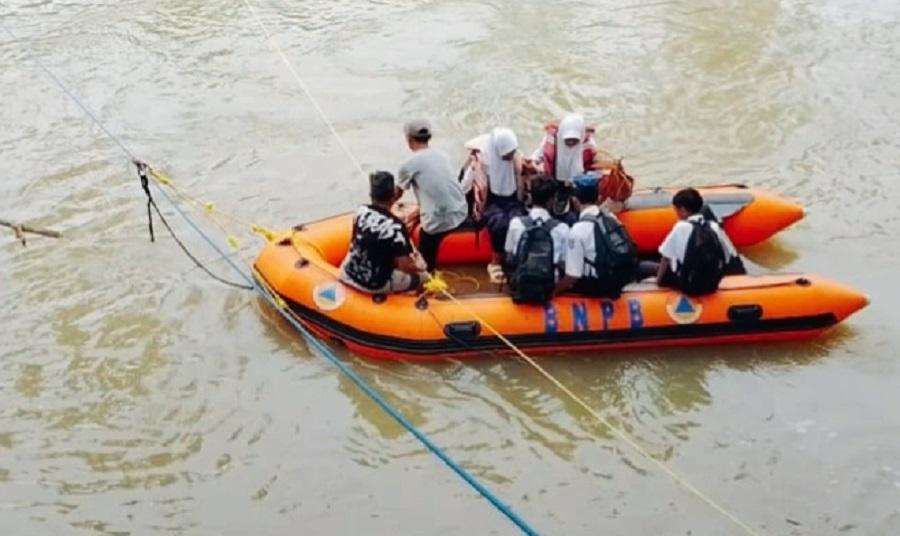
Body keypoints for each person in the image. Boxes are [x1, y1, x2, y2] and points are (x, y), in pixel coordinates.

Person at [397, 119, 468, 272]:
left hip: (439, 221)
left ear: (408, 139)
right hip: (461, 212)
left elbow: (396, 195)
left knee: (425, 254)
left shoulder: (408, 165)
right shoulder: (443, 156)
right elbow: (438, 190)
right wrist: (413, 215)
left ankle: (427, 272)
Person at [340, 171, 426, 294]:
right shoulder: (396, 228)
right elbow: (405, 267)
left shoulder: (360, 211)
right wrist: (420, 267)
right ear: (393, 196)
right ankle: (417, 300)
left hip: (347, 273)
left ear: (371, 195)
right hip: (373, 284)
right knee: (423, 277)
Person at [555, 175, 638, 298]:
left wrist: (554, 291)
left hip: (597, 285)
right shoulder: (611, 217)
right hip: (618, 276)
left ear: (575, 200)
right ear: (598, 198)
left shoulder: (577, 230)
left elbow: (573, 276)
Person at [654, 188, 746, 295]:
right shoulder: (713, 226)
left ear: (683, 210)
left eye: (676, 210)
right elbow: (728, 255)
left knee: (647, 267)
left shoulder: (680, 227)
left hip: (689, 285)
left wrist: (658, 281)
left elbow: (665, 257)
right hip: (712, 283)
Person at [464, 128, 528, 283]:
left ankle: (517, 259)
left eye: (512, 152)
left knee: (518, 221)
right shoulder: (481, 160)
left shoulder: (516, 157)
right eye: (507, 154)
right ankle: (495, 262)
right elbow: (465, 185)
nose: (511, 156)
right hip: (490, 201)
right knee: (500, 223)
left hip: (513, 199)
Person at [530, 113, 619, 222]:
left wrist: (583, 178)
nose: (571, 142)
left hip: (578, 184)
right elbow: (537, 155)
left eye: (574, 139)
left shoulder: (589, 145)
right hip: (554, 179)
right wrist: (535, 164)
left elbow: (598, 171)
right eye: (568, 139)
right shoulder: (551, 139)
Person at [504, 175, 569, 303]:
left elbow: (509, 253)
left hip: (521, 285)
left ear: (531, 197)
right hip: (549, 286)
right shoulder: (562, 229)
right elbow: (565, 263)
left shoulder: (516, 223)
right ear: (552, 200)